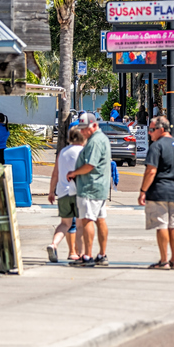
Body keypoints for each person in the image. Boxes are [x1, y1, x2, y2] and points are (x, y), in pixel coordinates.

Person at [138, 116, 174, 269]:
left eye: (151, 130)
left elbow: (151, 171)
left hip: (159, 191)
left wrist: (143, 191)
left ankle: (164, 260)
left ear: (160, 129)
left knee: (162, 225)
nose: (149, 133)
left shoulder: (156, 146)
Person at [68, 113, 111, 267]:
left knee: (87, 220)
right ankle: (102, 254)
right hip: (100, 186)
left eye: (85, 129)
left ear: (94, 125)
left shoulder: (94, 141)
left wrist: (74, 173)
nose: (82, 132)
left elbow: (90, 165)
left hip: (90, 186)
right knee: (100, 220)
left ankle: (88, 256)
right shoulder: (102, 138)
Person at [47, 127, 86, 263]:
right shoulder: (84, 152)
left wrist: (51, 191)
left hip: (63, 192)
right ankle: (80, 254)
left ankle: (54, 244)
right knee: (80, 225)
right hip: (79, 192)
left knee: (65, 223)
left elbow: (55, 174)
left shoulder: (62, 152)